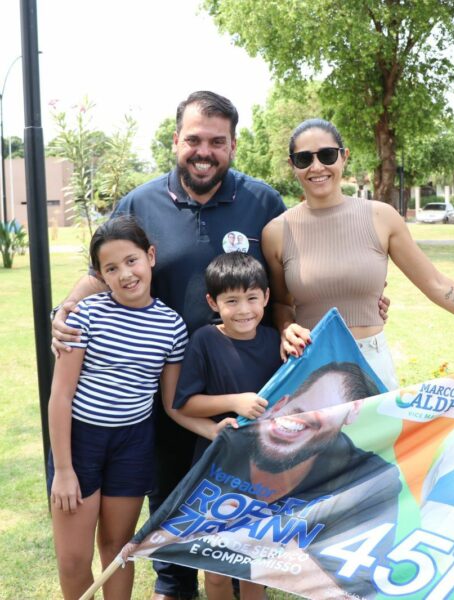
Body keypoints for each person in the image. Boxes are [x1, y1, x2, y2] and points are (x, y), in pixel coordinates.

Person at [50, 96, 390, 599]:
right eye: (194, 140)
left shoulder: (262, 202)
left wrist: (357, 303)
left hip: (242, 378)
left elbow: (289, 279)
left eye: (216, 141)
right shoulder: (141, 202)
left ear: (232, 144)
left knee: (241, 496)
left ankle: (244, 579)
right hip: (162, 380)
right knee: (169, 488)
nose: (203, 151)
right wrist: (63, 309)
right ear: (176, 141)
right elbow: (101, 269)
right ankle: (174, 584)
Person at [126, 361, 401, 600]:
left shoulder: (370, 477)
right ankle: (177, 583)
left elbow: (350, 582)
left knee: (253, 573)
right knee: (217, 570)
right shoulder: (236, 443)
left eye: (326, 410)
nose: (302, 418)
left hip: (274, 548)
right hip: (224, 512)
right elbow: (180, 404)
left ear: (349, 416)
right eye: (299, 407)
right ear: (281, 402)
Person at [262, 118, 454, 390]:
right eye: (304, 159)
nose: (317, 167)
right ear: (292, 165)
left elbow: (436, 284)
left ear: (344, 157)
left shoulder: (381, 217)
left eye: (327, 155)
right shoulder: (277, 232)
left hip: (372, 361)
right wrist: (285, 327)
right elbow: (280, 303)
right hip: (310, 367)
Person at [47, 216, 191, 600]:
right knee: (74, 561)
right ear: (100, 275)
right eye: (111, 268)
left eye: (131, 261)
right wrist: (63, 470)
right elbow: (61, 395)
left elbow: (172, 404)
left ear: (151, 257)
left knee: (118, 551)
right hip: (80, 443)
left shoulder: (172, 326)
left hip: (133, 445)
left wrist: (217, 430)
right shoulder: (85, 316)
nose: (125, 274)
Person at [173, 252, 282, 600]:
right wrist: (234, 402)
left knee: (254, 565)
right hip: (216, 470)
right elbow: (185, 402)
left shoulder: (274, 341)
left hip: (264, 470)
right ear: (213, 302)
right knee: (216, 566)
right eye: (231, 301)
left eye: (252, 298)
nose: (244, 310)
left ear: (266, 296)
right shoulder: (205, 340)